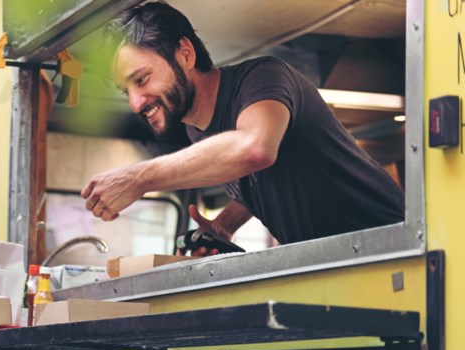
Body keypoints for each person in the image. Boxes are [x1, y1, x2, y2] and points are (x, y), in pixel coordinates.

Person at [81, 1, 405, 251]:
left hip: (395, 242)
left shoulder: (262, 78)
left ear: (185, 54)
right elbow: (262, 176)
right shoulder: (197, 130)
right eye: (127, 91)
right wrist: (225, 224)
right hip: (338, 259)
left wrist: (139, 178)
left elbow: (256, 148)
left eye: (141, 79)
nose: (136, 103)